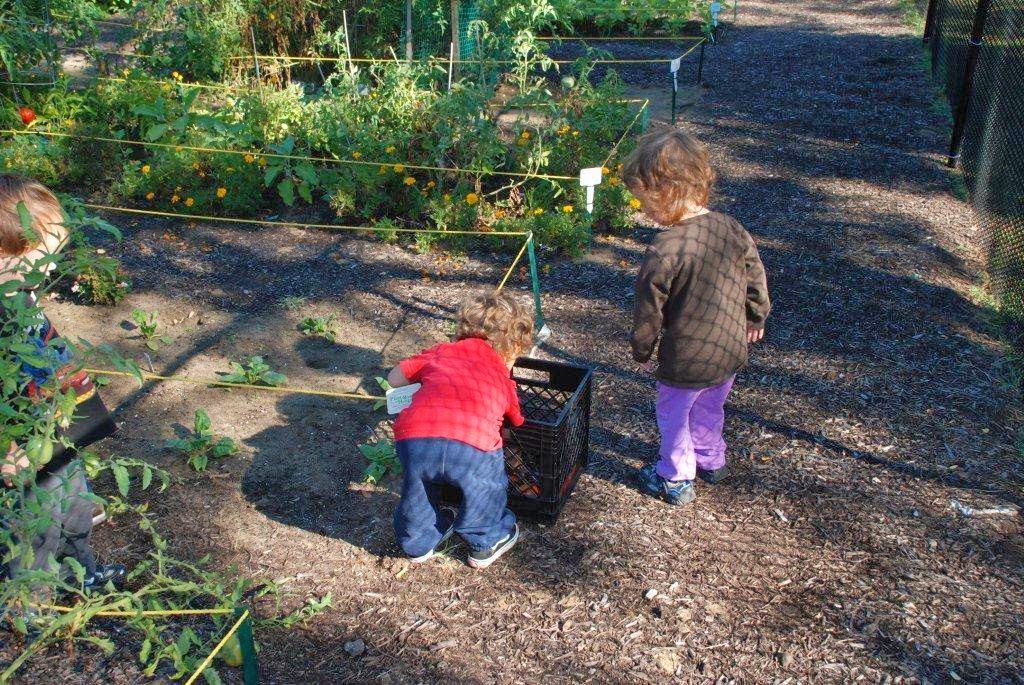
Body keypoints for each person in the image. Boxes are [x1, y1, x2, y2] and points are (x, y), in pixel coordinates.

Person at [623, 129, 771, 505]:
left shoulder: (665, 248)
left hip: (686, 359)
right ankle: (711, 458)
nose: (643, 211)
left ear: (668, 191)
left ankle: (674, 477)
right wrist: (756, 317)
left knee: (673, 413)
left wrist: (642, 349)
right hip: (730, 346)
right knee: (711, 403)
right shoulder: (730, 227)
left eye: (646, 202)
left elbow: (649, 310)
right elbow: (755, 273)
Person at [0, 174, 123, 589]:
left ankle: (80, 569)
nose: (51, 268)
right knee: (36, 521)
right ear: (3, 254)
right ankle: (27, 601)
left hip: (55, 428)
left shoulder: (21, 293)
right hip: (22, 442)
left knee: (74, 503)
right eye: (42, 256)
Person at [387, 291, 533, 568]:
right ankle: (485, 541)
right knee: (486, 486)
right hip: (471, 446)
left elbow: (394, 379)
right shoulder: (502, 376)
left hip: (417, 438)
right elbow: (515, 419)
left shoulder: (442, 351)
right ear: (510, 348)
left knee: (417, 487)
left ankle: (416, 543)